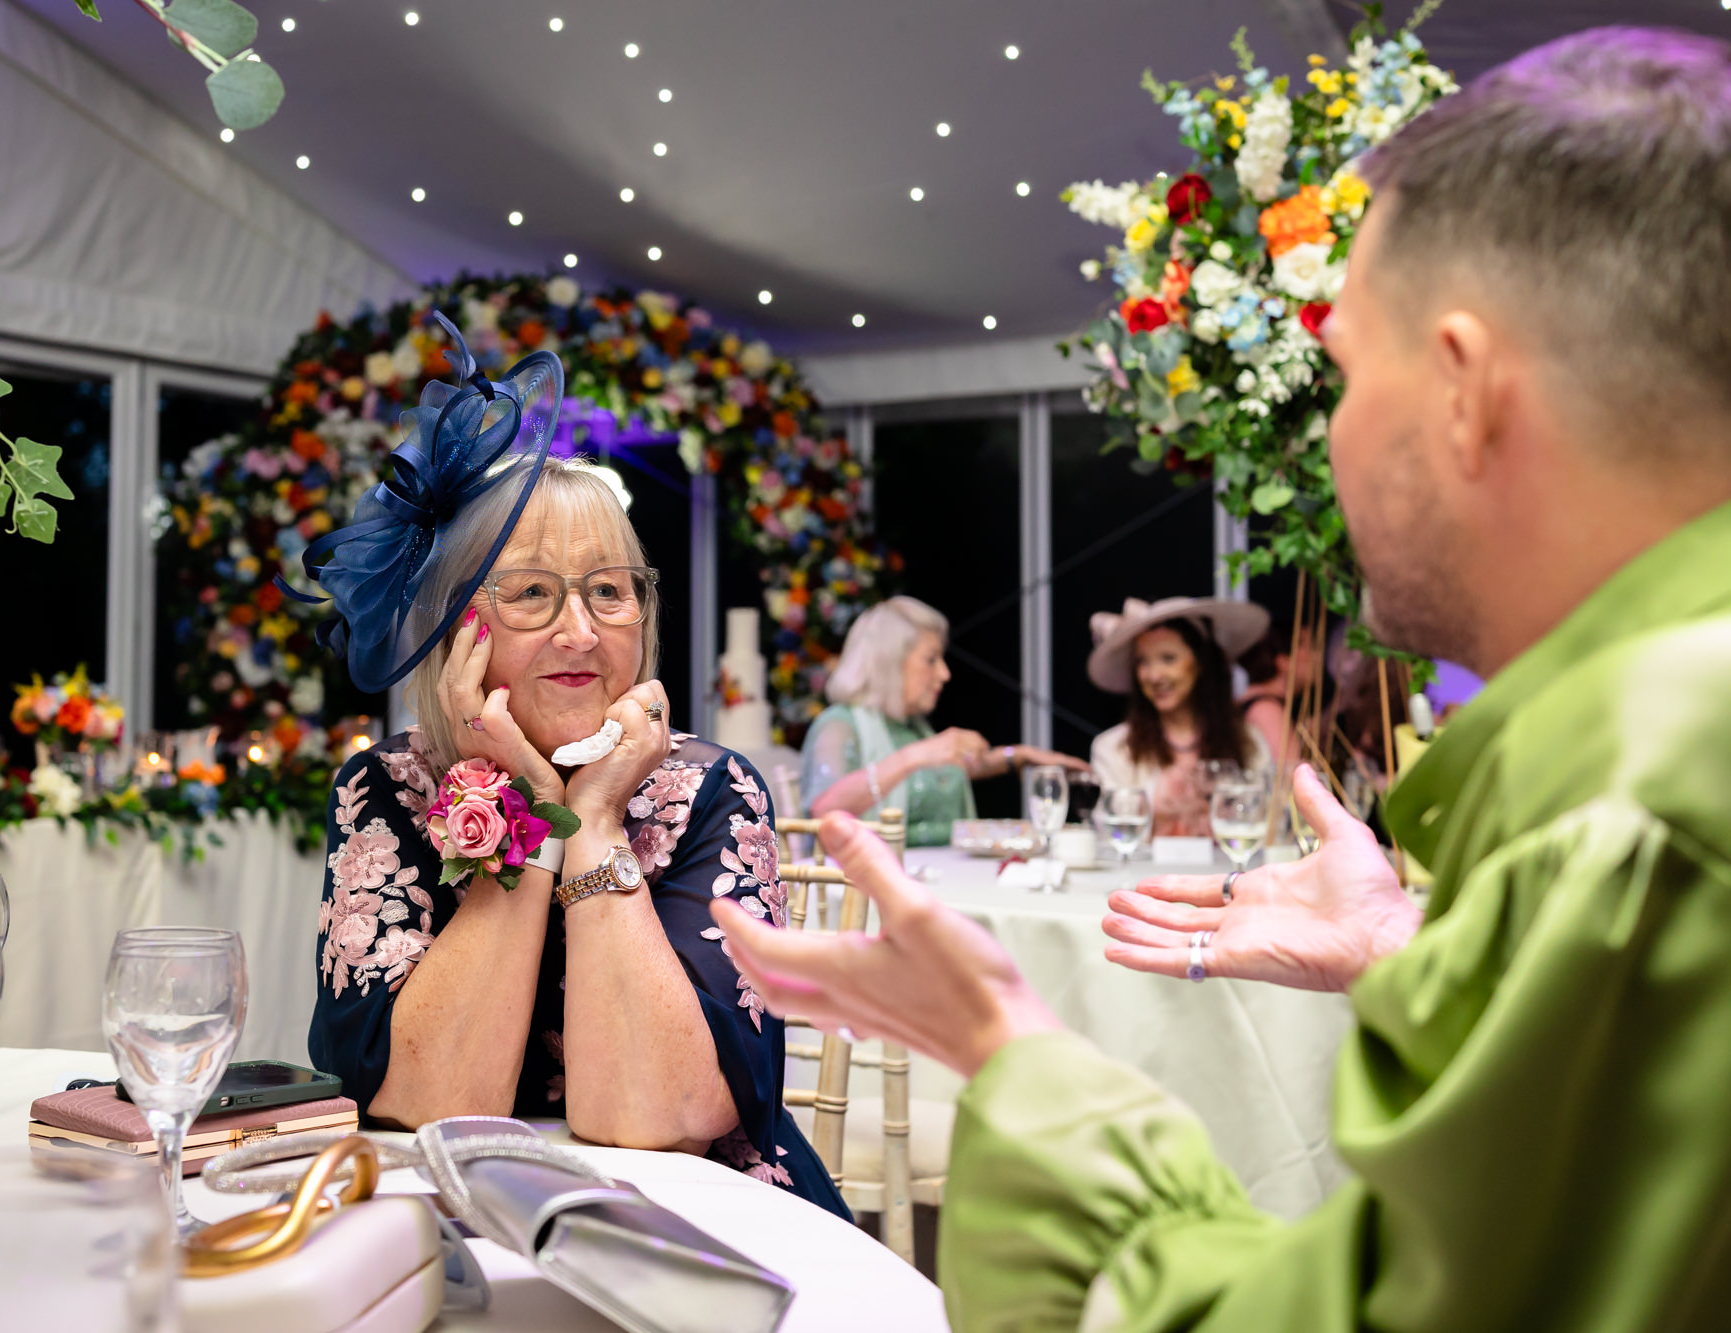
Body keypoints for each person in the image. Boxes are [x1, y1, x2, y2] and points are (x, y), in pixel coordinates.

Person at [707, 28, 1731, 1329]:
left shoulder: (1641, 818)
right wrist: (1409, 944)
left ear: (1466, 389)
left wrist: (1015, 1059)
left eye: (1350, 373)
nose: (1335, 444)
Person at [297, 317, 846, 1217]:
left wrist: (589, 822)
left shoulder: (713, 790)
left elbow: (659, 1112)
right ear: (457, 627)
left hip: (705, 1215)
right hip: (445, 1213)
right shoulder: (383, 793)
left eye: (608, 590)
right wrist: (525, 811)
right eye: (534, 593)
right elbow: (431, 1105)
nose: (582, 632)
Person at [800, 596, 1082, 846]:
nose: (945, 674)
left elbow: (942, 774)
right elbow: (824, 812)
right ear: (891, 662)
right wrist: (916, 756)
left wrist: (1018, 756)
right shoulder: (839, 725)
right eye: (931, 660)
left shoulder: (910, 727)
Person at [1085, 597, 1270, 836]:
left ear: (1200, 663)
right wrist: (1153, 812)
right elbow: (1109, 832)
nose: (1154, 675)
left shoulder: (1249, 743)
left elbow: (1269, 821)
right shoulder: (1114, 748)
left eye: (1168, 658)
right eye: (1142, 662)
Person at [1235, 619, 1323, 768]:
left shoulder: (1255, 700)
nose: (1318, 657)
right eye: (1311, 648)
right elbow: (1290, 778)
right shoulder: (1268, 709)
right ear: (1283, 661)